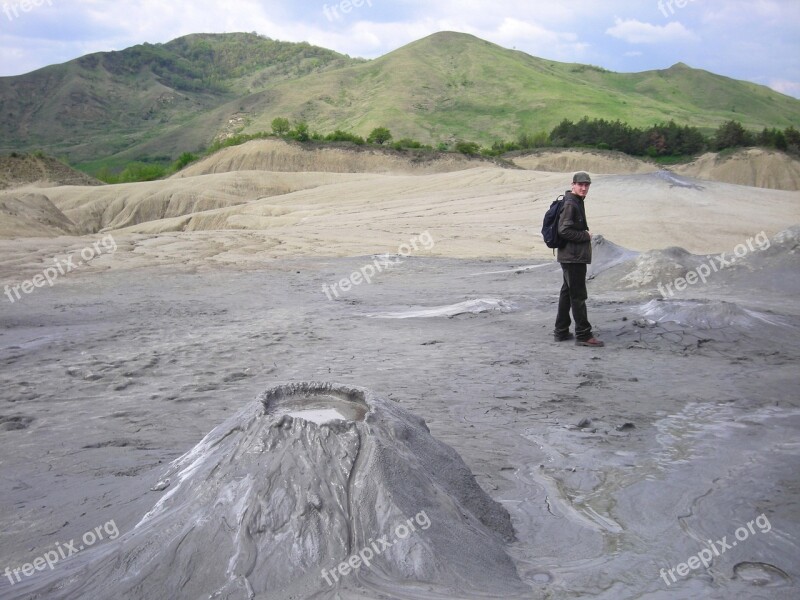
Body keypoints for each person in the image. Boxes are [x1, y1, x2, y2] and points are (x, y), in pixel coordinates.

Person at [553, 172, 604, 347]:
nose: (583, 188)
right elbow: (564, 230)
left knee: (567, 293)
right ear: (572, 184)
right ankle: (583, 335)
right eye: (580, 184)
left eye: (586, 185)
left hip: (570, 256)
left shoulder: (575, 201)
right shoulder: (571, 203)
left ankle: (561, 331)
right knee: (578, 296)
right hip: (573, 257)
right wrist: (585, 235)